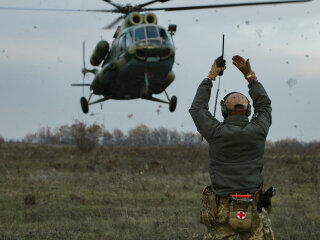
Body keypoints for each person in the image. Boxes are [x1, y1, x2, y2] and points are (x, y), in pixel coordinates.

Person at [189, 55, 274, 240]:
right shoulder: (258, 129)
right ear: (248, 111)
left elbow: (197, 109)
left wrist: (210, 77)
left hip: (222, 209)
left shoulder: (216, 131)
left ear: (224, 111)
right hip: (255, 207)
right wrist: (250, 76)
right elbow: (265, 105)